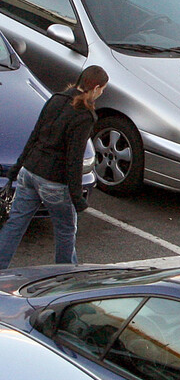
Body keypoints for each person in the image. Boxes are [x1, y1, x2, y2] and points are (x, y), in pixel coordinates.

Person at [0, 65, 108, 269]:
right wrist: (77, 198)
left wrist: (16, 169)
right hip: (54, 182)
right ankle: (64, 276)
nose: (102, 93)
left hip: (29, 172)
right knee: (66, 230)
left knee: (15, 224)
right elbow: (74, 159)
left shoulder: (56, 98)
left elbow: (35, 135)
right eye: (102, 89)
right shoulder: (84, 116)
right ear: (95, 88)